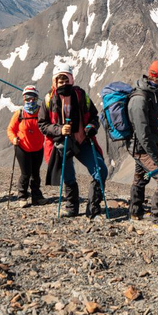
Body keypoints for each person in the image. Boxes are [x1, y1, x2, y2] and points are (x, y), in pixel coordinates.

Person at [38, 64, 108, 218]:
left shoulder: (81, 95)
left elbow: (94, 117)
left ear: (71, 79)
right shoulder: (49, 99)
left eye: (66, 80)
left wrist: (91, 127)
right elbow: (42, 125)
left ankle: (93, 209)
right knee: (68, 176)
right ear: (55, 82)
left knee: (101, 170)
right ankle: (72, 208)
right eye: (60, 81)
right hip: (62, 144)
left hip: (82, 141)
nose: (64, 84)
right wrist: (59, 130)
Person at [127, 59, 158, 228]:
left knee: (140, 179)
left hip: (143, 147)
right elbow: (142, 134)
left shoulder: (150, 94)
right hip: (142, 149)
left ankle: (135, 212)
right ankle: (157, 220)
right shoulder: (141, 98)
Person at [6, 85, 45, 207]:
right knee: (26, 173)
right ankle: (22, 196)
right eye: (28, 98)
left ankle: (36, 197)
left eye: (33, 97)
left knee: (36, 173)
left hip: (38, 148)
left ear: (37, 98)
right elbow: (10, 129)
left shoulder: (42, 112)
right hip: (22, 148)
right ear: (24, 99)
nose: (31, 100)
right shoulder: (19, 113)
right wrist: (13, 139)